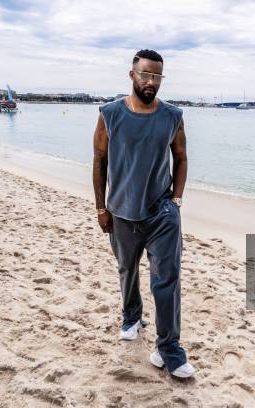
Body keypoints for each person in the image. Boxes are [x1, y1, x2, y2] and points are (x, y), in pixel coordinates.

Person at [92, 49, 193, 378]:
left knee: (167, 281)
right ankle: (131, 316)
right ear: (132, 74)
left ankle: (169, 348)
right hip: (121, 212)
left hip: (161, 214)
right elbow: (99, 162)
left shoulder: (173, 116)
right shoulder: (110, 114)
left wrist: (176, 201)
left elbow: (181, 157)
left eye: (157, 76)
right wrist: (100, 207)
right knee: (127, 270)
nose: (151, 82)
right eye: (145, 74)